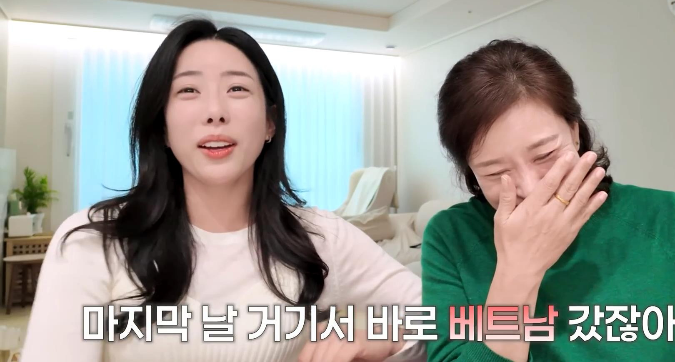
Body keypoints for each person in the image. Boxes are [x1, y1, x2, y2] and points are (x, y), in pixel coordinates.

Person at [22, 19, 423, 362]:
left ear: (270, 123)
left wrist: (383, 335)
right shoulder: (94, 242)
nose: (215, 112)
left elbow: (448, 317)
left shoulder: (320, 237)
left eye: (237, 90)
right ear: (162, 126)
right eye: (188, 91)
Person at [422, 39, 675, 361]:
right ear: (471, 172)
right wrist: (519, 272)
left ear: (575, 132)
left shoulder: (665, 217)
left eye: (545, 154)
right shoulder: (451, 237)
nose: (531, 188)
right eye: (496, 172)